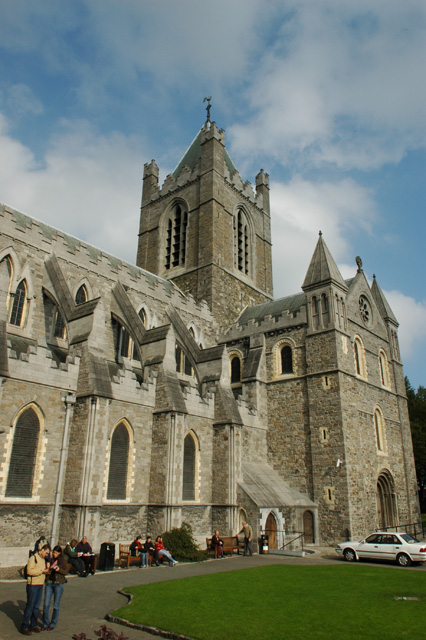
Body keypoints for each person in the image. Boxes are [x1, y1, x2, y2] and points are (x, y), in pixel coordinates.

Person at [21, 543, 50, 635]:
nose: (47, 555)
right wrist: (41, 571)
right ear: (42, 550)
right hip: (32, 585)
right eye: (46, 553)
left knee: (36, 607)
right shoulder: (33, 558)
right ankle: (24, 626)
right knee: (30, 606)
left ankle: (33, 625)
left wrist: (47, 570)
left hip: (40, 584)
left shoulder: (43, 559)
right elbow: (29, 571)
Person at [42, 545, 68, 631]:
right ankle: (45, 623)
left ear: (59, 553)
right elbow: (47, 571)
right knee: (46, 604)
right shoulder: (50, 559)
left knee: (56, 605)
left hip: (58, 584)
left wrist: (59, 570)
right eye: (53, 552)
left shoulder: (63, 560)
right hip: (49, 583)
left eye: (56, 553)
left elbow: (65, 572)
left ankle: (53, 623)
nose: (54, 554)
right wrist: (48, 567)